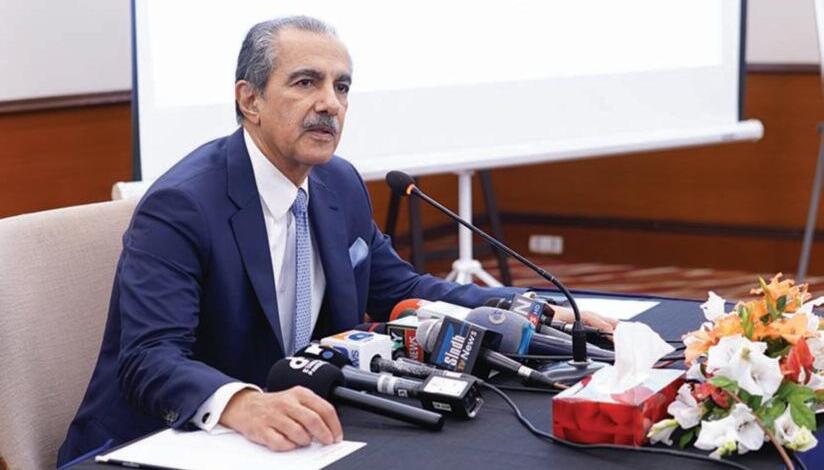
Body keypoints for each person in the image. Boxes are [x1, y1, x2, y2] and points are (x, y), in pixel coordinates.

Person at [57, 16, 615, 466]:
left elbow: (401, 289)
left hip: (293, 437)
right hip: (157, 444)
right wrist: (243, 403)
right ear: (250, 100)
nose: (330, 103)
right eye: (306, 82)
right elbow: (149, 358)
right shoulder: (183, 204)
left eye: (341, 86)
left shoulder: (338, 183)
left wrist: (530, 310)